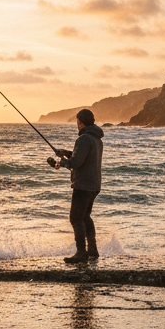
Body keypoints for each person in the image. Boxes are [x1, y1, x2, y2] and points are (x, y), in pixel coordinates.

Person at [47, 109, 104, 264]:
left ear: (80, 122)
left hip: (84, 185)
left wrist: (62, 162)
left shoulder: (84, 138)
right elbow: (82, 156)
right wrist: (65, 153)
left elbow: (76, 163)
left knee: (75, 218)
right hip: (94, 184)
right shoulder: (96, 139)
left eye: (77, 122)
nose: (77, 125)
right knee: (85, 216)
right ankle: (92, 250)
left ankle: (81, 253)